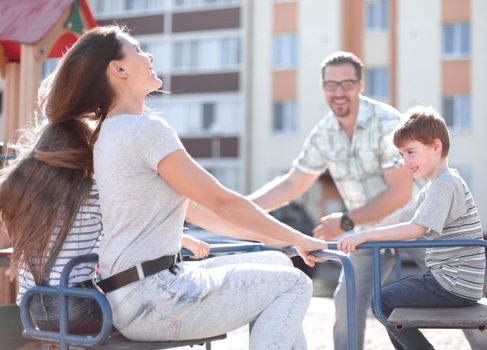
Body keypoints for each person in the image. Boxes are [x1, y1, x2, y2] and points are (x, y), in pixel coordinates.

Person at [37, 25, 326, 349]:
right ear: (118, 69)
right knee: (295, 284)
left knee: (277, 263)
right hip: (157, 296)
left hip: (132, 295)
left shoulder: (108, 133)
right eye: (138, 50)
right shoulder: (145, 130)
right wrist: (300, 238)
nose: (150, 56)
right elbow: (222, 201)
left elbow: (202, 212)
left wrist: (278, 240)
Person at [249, 51, 419, 349]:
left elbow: (400, 194)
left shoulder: (388, 122)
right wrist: (243, 207)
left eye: (347, 83)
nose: (339, 92)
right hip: (367, 238)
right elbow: (292, 182)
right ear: (323, 87)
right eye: (331, 85)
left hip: (417, 227)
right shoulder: (324, 133)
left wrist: (345, 220)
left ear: (361, 85)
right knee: (345, 307)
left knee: (461, 303)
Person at [337, 106, 486, 349]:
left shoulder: (445, 184)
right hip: (453, 281)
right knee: (388, 300)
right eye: (401, 155)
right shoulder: (435, 185)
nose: (405, 162)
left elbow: (416, 228)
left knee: (382, 300)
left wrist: (367, 234)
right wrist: (357, 236)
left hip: (453, 283)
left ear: (436, 147)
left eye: (410, 152)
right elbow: (400, 216)